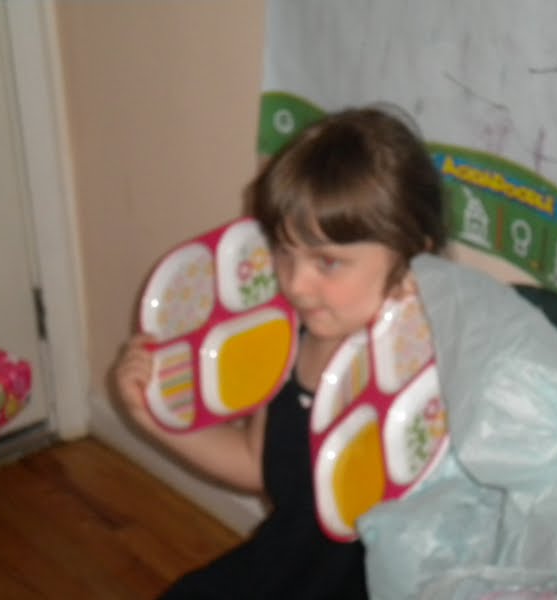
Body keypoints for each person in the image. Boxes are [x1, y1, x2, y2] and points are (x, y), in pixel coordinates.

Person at [114, 105, 447, 599]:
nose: (295, 283)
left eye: (327, 262)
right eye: (284, 251)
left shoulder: (440, 373)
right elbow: (257, 464)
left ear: (414, 256)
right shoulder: (293, 341)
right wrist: (152, 415)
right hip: (288, 569)